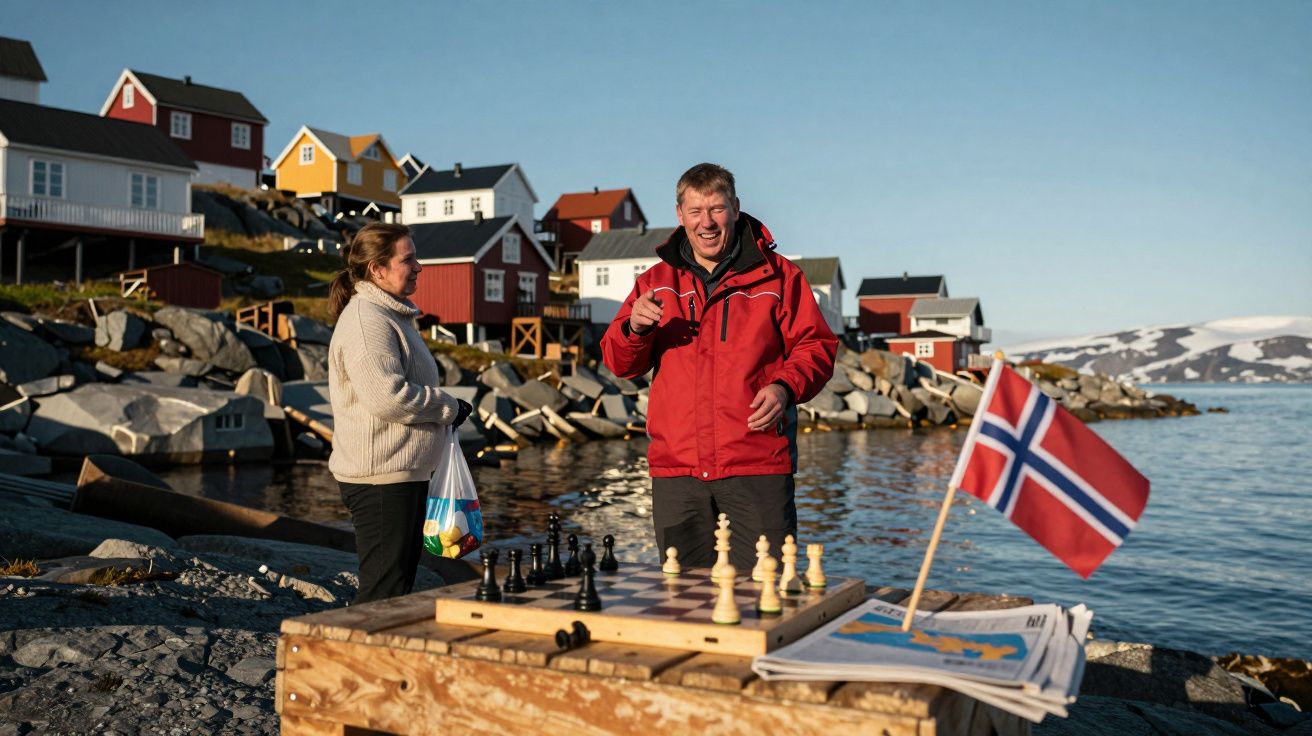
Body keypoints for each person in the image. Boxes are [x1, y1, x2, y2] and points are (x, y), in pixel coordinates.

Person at [601, 163, 837, 572]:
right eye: (695, 211)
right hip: (678, 471)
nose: (706, 223)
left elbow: (816, 346)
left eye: (716, 209)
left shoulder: (781, 278)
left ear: (736, 208)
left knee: (767, 598)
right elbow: (620, 364)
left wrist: (784, 387)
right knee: (682, 601)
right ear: (679, 215)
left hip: (756, 463)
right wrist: (634, 327)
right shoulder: (655, 281)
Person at [327, 222, 473, 603]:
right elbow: (386, 396)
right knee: (383, 593)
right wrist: (449, 408)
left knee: (394, 588)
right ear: (377, 269)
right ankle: (355, 660)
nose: (419, 266)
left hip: (399, 475)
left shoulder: (390, 315)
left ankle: (371, 658)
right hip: (380, 481)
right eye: (408, 259)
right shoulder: (367, 321)